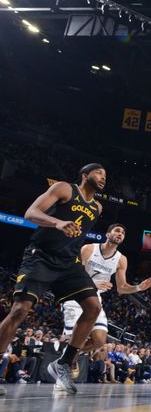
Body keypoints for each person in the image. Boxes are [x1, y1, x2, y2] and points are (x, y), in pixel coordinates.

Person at [0, 164, 107, 395]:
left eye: (106, 176)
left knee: (93, 307)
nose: (103, 178)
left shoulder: (97, 208)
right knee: (19, 310)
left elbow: (75, 236)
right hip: (41, 256)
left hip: (69, 263)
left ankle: (63, 364)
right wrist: (57, 223)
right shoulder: (65, 189)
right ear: (85, 175)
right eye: (99, 173)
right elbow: (31, 213)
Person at [62, 224, 151, 355]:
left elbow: (122, 288)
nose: (120, 234)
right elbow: (74, 276)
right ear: (107, 235)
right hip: (76, 296)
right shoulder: (89, 249)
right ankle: (65, 358)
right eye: (117, 231)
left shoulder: (121, 260)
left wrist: (139, 287)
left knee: (99, 340)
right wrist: (93, 284)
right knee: (73, 339)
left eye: (123, 233)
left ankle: (67, 357)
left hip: (95, 298)